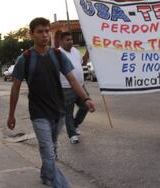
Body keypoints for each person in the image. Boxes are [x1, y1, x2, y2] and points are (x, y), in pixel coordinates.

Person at [7, 17, 95, 187]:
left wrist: (86, 98)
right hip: (38, 113)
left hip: (58, 112)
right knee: (48, 151)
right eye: (40, 31)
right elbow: (15, 88)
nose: (45, 35)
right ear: (31, 34)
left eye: (47, 31)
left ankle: (47, 175)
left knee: (52, 148)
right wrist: (11, 115)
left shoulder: (57, 55)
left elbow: (73, 80)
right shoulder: (24, 58)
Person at [59, 31, 90, 144]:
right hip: (66, 88)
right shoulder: (58, 53)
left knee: (86, 106)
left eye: (71, 39)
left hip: (80, 86)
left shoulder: (75, 51)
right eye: (67, 40)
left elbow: (83, 61)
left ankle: (75, 124)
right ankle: (72, 134)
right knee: (68, 113)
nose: (70, 41)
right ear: (61, 41)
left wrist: (88, 50)